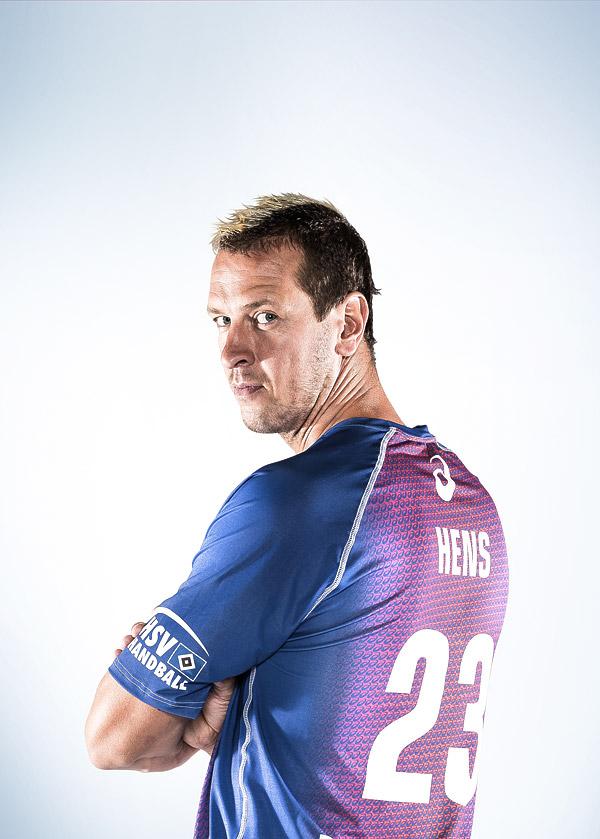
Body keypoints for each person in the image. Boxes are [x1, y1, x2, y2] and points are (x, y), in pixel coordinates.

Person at [85, 193, 510, 838]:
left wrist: (188, 720)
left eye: (264, 316)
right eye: (221, 319)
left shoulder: (300, 502)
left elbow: (112, 738)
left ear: (347, 324)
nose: (232, 348)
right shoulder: (471, 503)